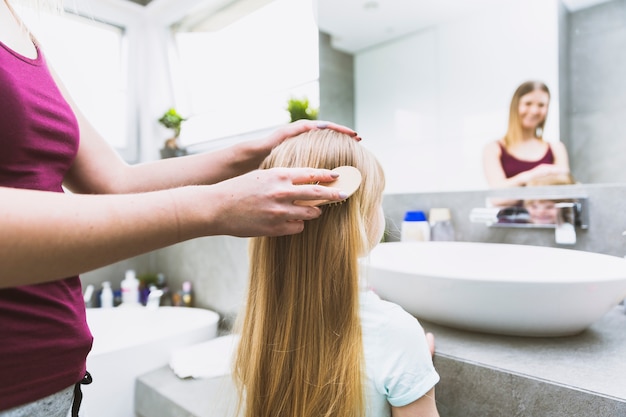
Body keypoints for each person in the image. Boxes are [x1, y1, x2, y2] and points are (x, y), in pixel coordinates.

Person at [0, 0, 361, 415]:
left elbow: (115, 184)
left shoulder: (21, 31)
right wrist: (214, 208)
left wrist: (247, 153)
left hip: (56, 381)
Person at [233, 130, 440, 417]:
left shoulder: (260, 327)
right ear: (356, 221)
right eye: (377, 199)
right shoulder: (396, 333)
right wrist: (410, 365)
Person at [483, 80, 571, 188]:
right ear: (515, 105)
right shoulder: (493, 149)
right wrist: (534, 174)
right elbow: (498, 197)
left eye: (541, 105)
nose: (534, 110)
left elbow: (564, 191)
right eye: (528, 103)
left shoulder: (557, 148)